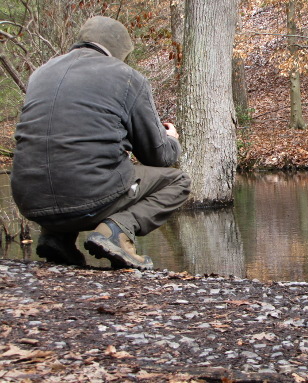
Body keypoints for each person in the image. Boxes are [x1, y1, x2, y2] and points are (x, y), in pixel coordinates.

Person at [11, 16, 191, 270]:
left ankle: (57, 238)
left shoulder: (41, 73)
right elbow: (158, 156)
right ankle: (117, 231)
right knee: (178, 181)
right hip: (86, 196)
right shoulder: (127, 77)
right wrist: (171, 140)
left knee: (65, 157)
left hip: (29, 199)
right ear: (120, 50)